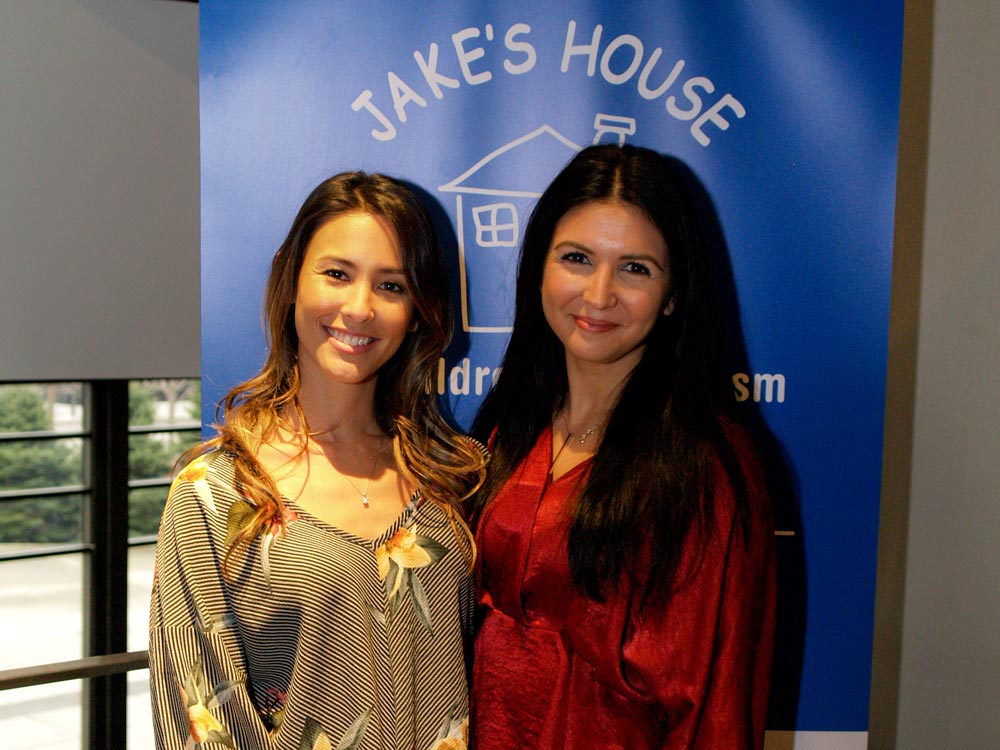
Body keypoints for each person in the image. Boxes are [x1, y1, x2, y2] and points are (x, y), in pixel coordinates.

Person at [149, 172, 487, 750]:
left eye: (391, 286)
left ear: (417, 309)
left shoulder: (455, 475)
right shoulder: (216, 492)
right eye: (337, 274)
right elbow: (200, 718)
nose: (359, 308)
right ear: (292, 279)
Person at [469, 144, 777, 750]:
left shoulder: (708, 468)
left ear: (673, 295)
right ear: (540, 268)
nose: (600, 293)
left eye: (635, 268)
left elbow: (713, 712)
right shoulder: (511, 426)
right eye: (577, 258)